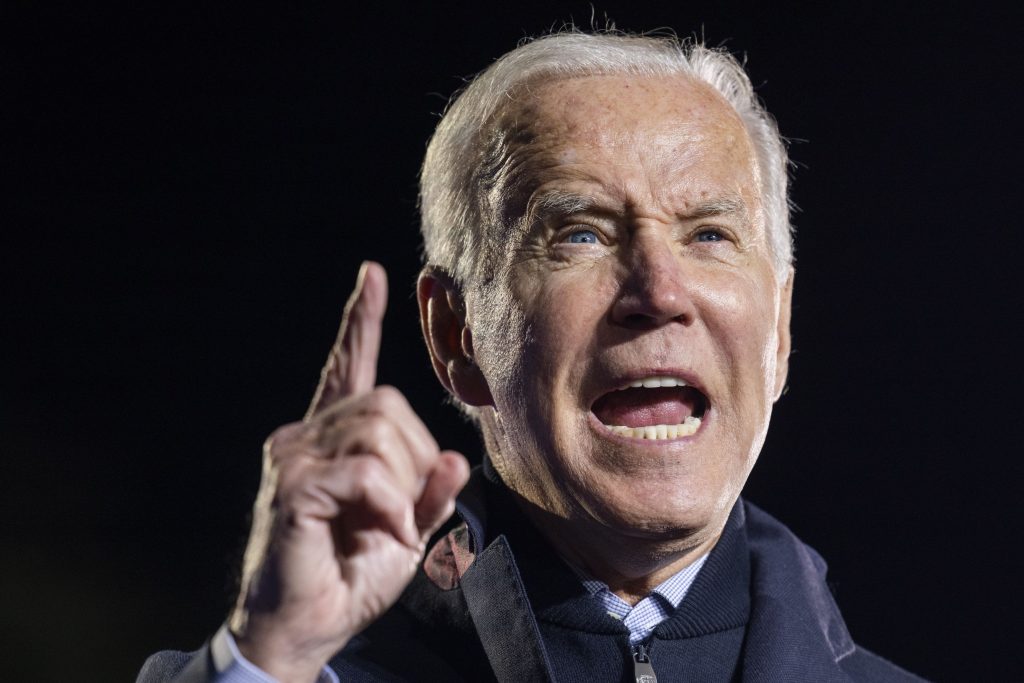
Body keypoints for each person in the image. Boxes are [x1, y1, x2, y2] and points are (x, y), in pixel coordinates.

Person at [138, 31, 924, 682]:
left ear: (778, 329)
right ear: (456, 334)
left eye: (709, 235)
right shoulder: (296, 670)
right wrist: (272, 655)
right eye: (579, 233)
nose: (659, 289)